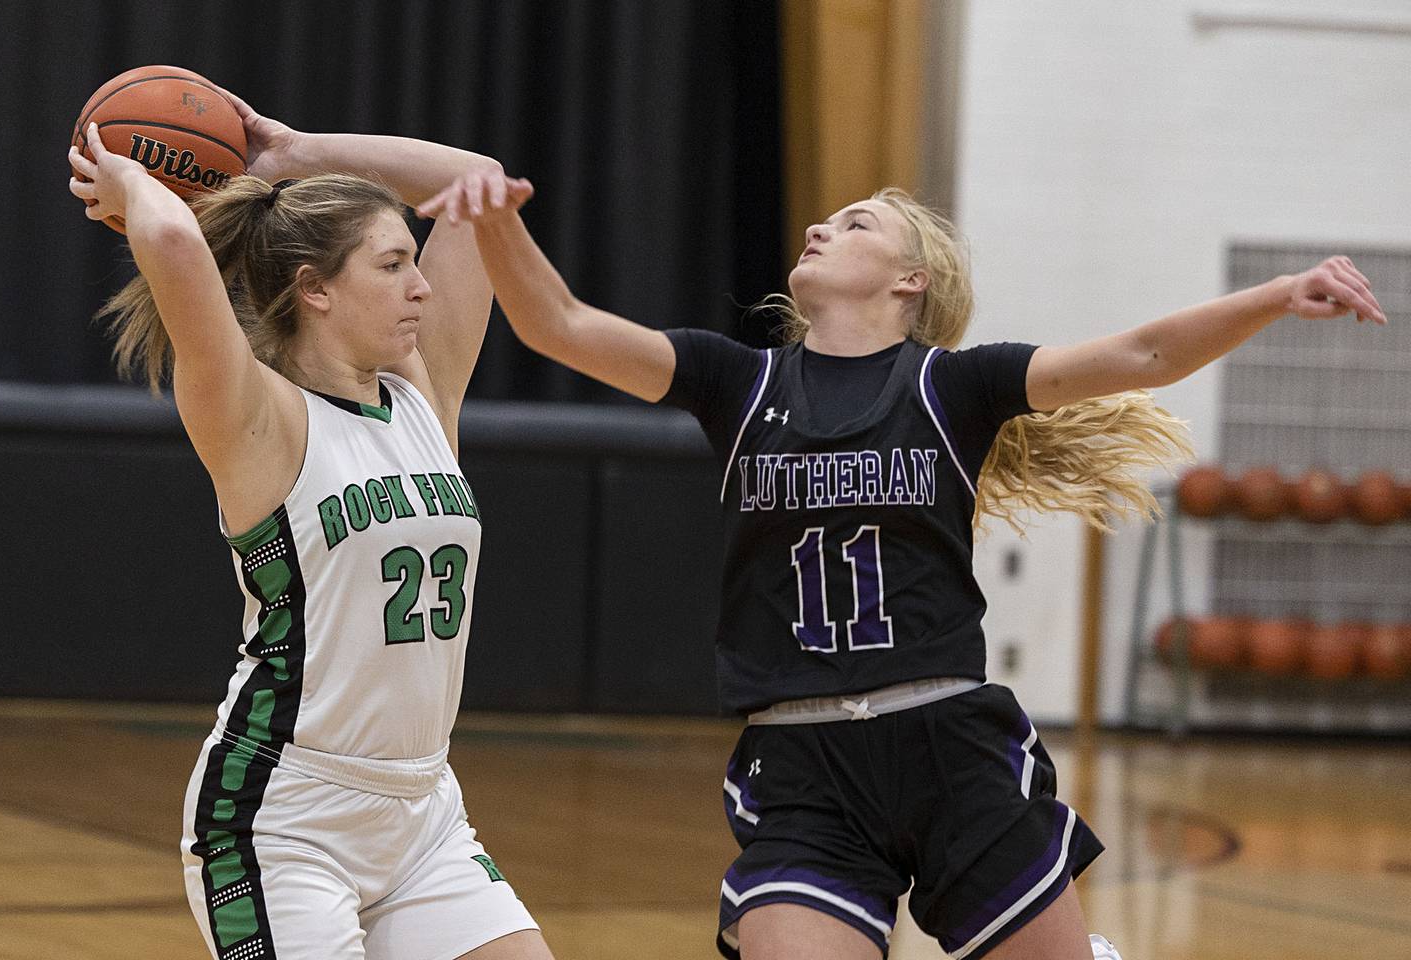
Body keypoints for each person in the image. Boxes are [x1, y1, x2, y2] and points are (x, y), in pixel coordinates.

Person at [416, 173, 1385, 960]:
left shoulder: (952, 386)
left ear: (910, 279)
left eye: (855, 222)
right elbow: (559, 326)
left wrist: (1275, 294)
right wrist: (492, 219)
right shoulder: (739, 383)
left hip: (949, 750)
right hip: (802, 766)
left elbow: (1142, 352)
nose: (817, 226)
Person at [67, 89, 557, 960]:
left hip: (424, 811)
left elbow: (478, 186)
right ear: (314, 290)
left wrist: (291, 154)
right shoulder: (259, 419)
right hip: (282, 816)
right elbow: (176, 243)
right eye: (394, 265)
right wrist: (130, 182)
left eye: (417, 262)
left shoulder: (423, 394)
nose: (423, 285)